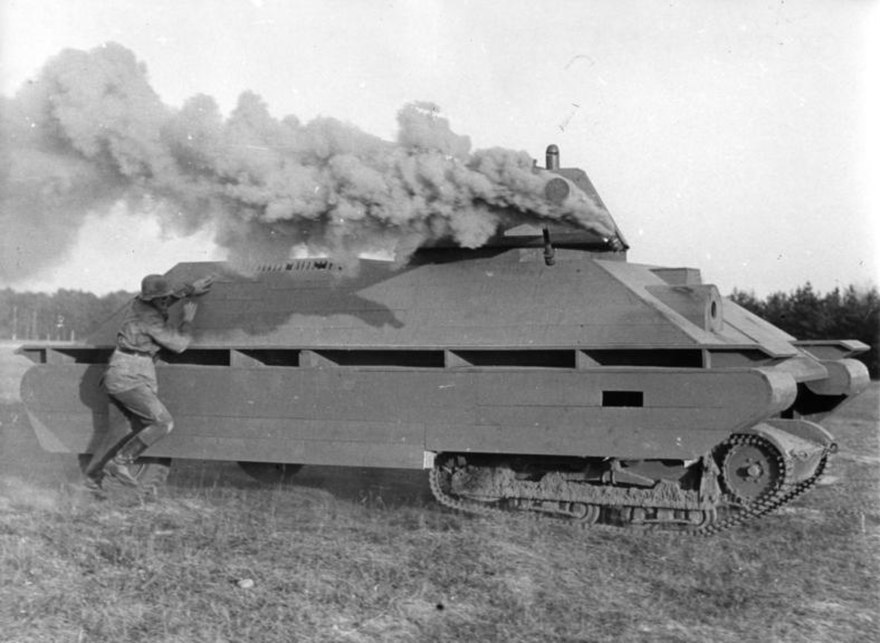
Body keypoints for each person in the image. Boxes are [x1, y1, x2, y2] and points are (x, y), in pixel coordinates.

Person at [84, 273, 213, 492]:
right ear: (152, 299)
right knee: (163, 423)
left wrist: (190, 289)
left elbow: (167, 299)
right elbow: (179, 344)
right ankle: (121, 462)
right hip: (130, 375)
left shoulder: (139, 304)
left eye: (165, 297)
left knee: (118, 431)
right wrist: (188, 320)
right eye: (161, 298)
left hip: (122, 369)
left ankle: (91, 481)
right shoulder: (150, 320)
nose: (165, 301)